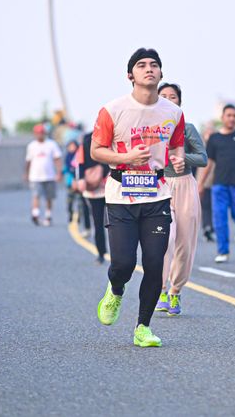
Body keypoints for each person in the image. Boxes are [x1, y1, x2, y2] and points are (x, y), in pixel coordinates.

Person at [93, 48, 185, 348]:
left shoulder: (173, 113)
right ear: (130, 75)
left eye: (154, 65)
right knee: (123, 263)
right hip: (121, 195)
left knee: (155, 264)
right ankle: (115, 290)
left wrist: (177, 159)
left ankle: (143, 327)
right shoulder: (113, 110)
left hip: (156, 195)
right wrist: (127, 157)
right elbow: (96, 151)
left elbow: (176, 146)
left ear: (161, 73)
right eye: (142, 65)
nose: (149, 69)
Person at [155, 82, 207, 316]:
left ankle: (175, 291)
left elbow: (202, 158)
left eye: (173, 97)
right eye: (163, 96)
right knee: (164, 240)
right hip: (160, 186)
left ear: (179, 102)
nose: (168, 100)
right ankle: (161, 290)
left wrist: (184, 159)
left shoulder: (188, 128)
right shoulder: (150, 128)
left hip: (185, 186)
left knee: (185, 244)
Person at [198, 104, 235, 263]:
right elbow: (208, 163)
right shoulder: (214, 138)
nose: (231, 118)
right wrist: (201, 183)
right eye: (228, 115)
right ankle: (223, 251)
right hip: (219, 185)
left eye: (234, 116)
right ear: (222, 118)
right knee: (220, 219)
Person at [76, 132, 109, 264]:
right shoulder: (87, 140)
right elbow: (80, 162)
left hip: (111, 188)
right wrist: (80, 179)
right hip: (96, 190)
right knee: (98, 223)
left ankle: (113, 255)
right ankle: (101, 253)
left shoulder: (111, 137)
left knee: (112, 224)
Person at [24, 123, 63, 226]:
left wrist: (59, 172)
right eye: (37, 133)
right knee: (36, 195)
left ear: (45, 133)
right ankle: (35, 214)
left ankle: (48, 216)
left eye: (41, 133)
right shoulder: (31, 146)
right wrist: (26, 173)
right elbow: (28, 161)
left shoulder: (51, 144)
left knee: (49, 197)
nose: (39, 135)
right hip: (35, 176)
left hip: (49, 176)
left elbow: (57, 159)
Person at [199, 123, 216, 242]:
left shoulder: (216, 146)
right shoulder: (199, 147)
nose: (209, 136)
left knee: (214, 207)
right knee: (205, 206)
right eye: (207, 133)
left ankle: (212, 227)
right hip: (203, 182)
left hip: (215, 181)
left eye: (211, 133)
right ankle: (207, 227)